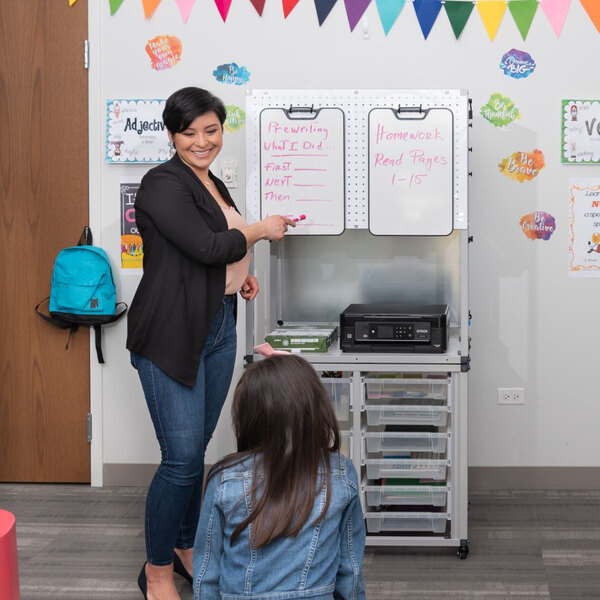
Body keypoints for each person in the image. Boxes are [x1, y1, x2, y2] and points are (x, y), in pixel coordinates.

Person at [127, 86, 296, 600]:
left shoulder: (213, 181)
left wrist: (237, 277)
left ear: (222, 129)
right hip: (170, 333)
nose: (202, 141)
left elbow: (214, 253)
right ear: (172, 134)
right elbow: (206, 245)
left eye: (212, 130)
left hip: (218, 324)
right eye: (189, 132)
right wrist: (263, 231)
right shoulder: (161, 183)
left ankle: (184, 547)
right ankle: (156, 571)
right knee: (179, 460)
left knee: (195, 453)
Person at [192, 354, 367, 600]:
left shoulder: (225, 478)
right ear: (315, 410)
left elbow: (206, 575)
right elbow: (350, 571)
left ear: (249, 416)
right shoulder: (340, 471)